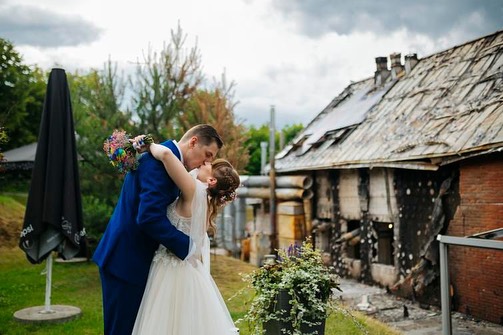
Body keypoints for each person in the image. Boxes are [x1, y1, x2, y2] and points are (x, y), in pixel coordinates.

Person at [92, 124, 223, 335]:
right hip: (125, 261)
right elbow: (149, 218)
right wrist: (188, 246)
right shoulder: (158, 164)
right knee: (122, 329)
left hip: (136, 259)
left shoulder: (169, 162)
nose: (206, 162)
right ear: (193, 142)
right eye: (207, 155)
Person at [131, 139, 241, 335]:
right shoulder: (207, 204)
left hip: (170, 268)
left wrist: (148, 143)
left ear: (212, 181)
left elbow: (166, 156)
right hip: (189, 269)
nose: (203, 164)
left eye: (208, 165)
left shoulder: (192, 189)